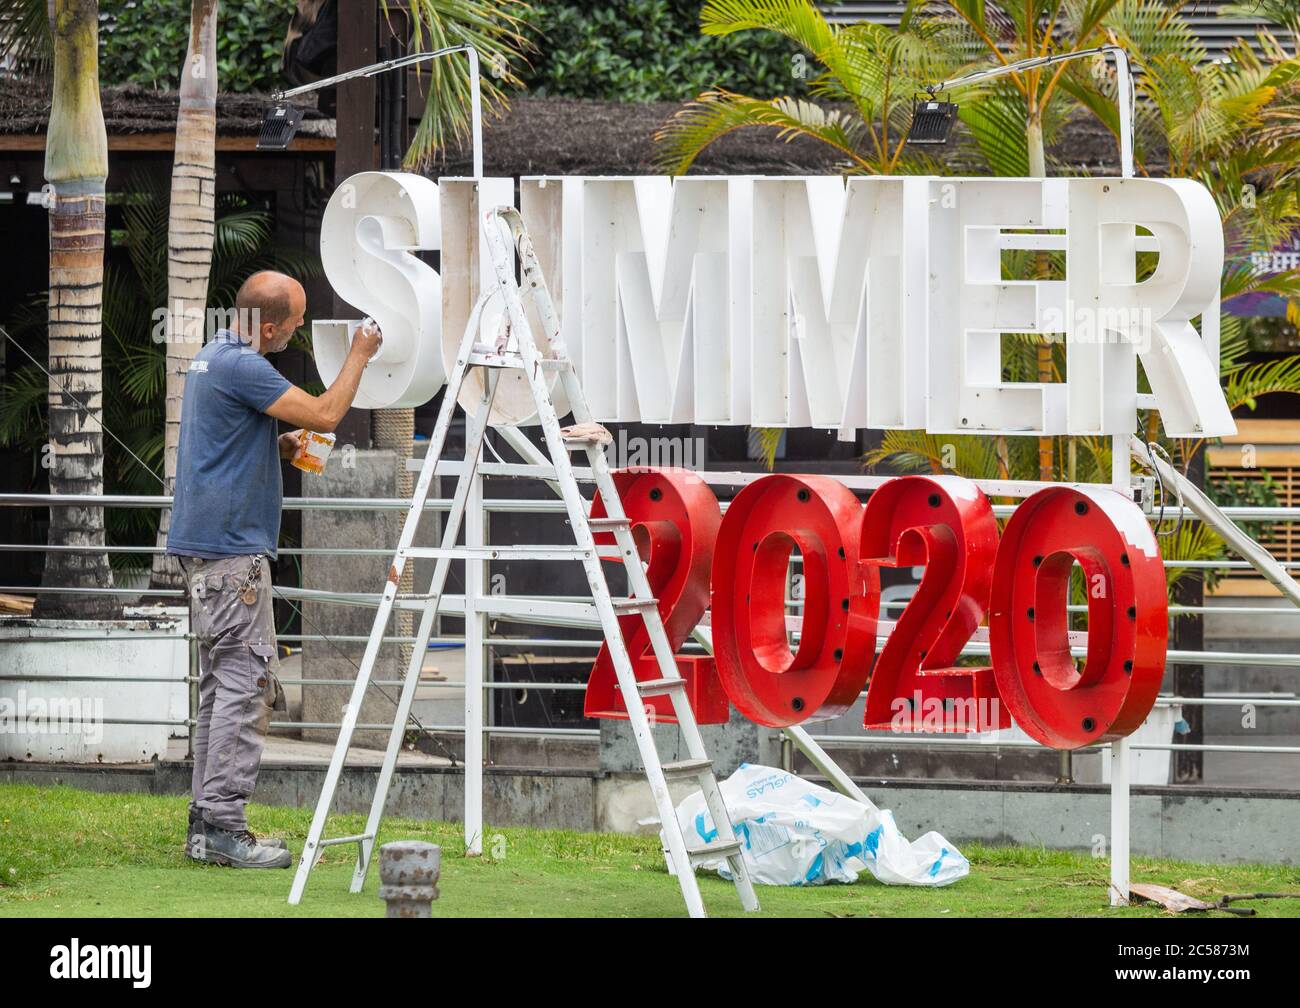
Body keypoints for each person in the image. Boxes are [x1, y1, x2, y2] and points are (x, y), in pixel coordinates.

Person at [167, 270, 381, 869]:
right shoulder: (246, 366)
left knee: (221, 687)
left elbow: (230, 440)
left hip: (210, 553)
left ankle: (207, 819)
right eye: (294, 321)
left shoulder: (213, 357)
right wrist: (361, 353)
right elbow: (328, 412)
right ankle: (222, 828)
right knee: (246, 686)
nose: (300, 329)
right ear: (268, 325)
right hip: (234, 556)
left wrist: (278, 447)